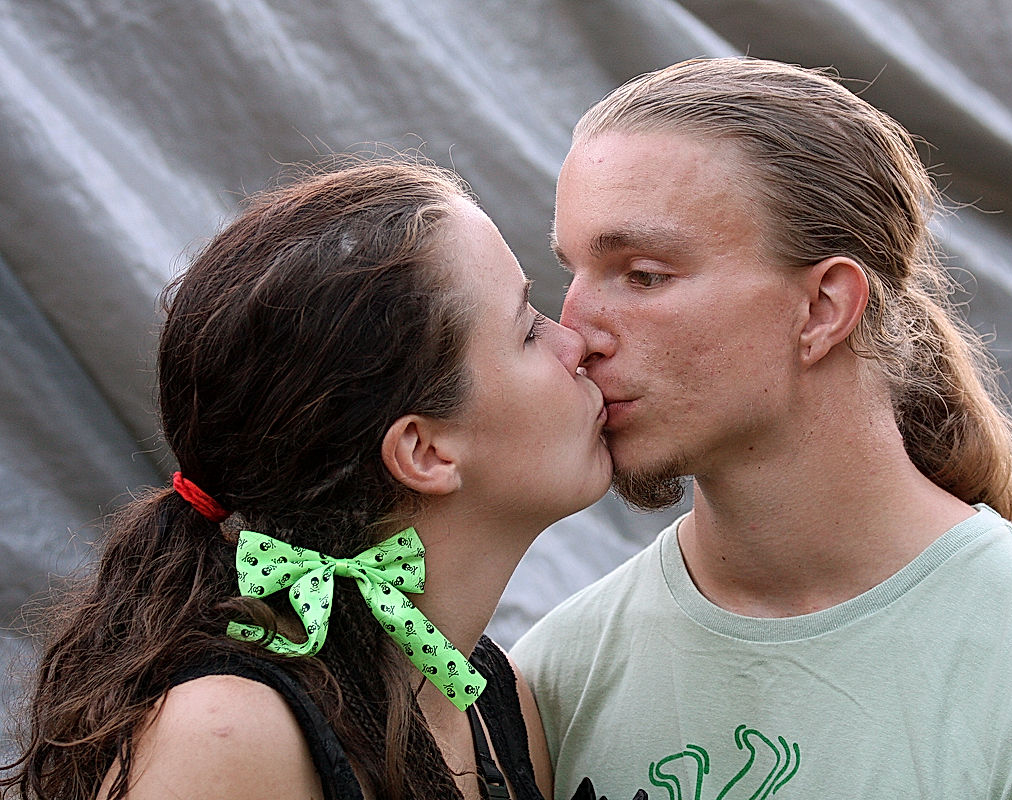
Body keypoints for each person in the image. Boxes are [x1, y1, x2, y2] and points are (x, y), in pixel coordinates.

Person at [511, 57, 1012, 799]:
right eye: (572, 272)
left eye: (644, 275)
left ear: (824, 308)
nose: (574, 333)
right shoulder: (554, 681)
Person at [1, 158, 613, 800]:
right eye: (527, 328)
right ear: (425, 452)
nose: (575, 343)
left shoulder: (497, 703)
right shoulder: (228, 734)